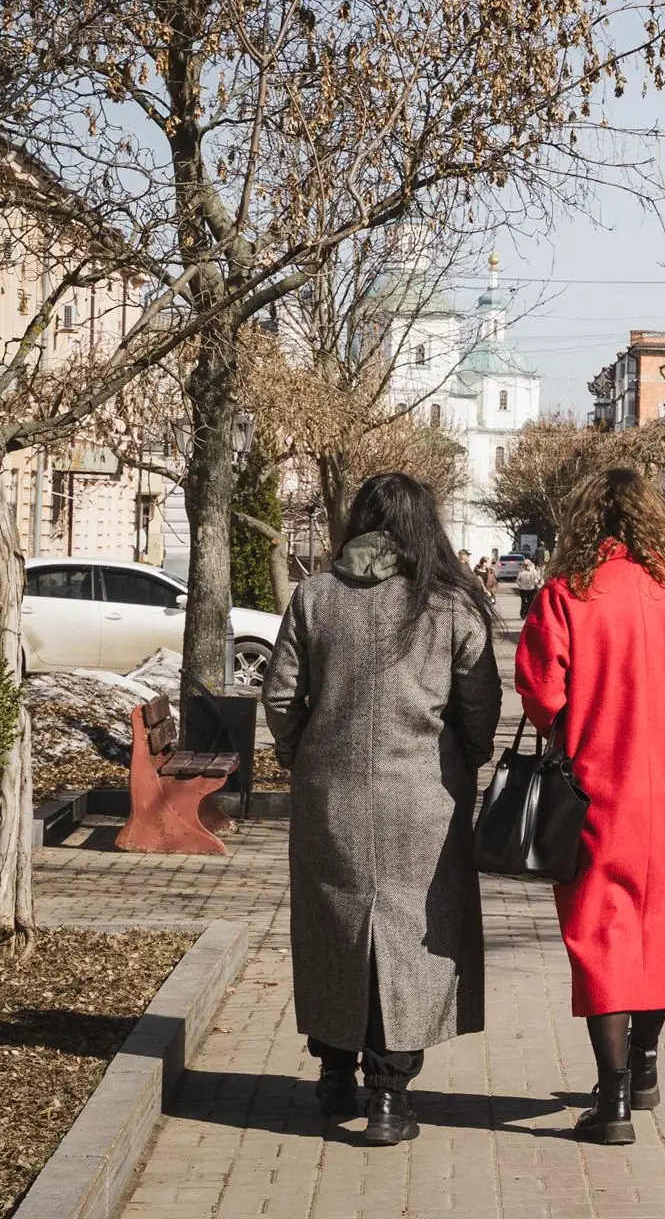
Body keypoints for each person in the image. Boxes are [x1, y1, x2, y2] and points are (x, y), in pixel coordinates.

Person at [261, 472, 501, 1147]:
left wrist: (303, 757)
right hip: (424, 797)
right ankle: (390, 1097)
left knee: (331, 926)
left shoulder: (315, 596)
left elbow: (281, 698)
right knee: (408, 941)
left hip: (329, 795)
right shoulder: (451, 603)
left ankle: (336, 1074)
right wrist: (466, 758)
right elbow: (480, 704)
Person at [515, 468, 665, 1147]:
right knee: (664, 921)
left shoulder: (566, 594)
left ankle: (610, 1100)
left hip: (594, 784)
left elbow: (540, 692)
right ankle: (644, 1063)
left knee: (602, 933)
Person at [514, 553, 544, 618]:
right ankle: (523, 614)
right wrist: (520, 584)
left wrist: (535, 583)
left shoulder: (533, 571)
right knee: (524, 602)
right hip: (523, 589)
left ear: (530, 565)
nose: (526, 566)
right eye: (524, 565)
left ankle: (528, 614)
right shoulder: (521, 571)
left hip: (531, 589)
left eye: (527, 565)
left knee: (530, 602)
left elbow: (537, 578)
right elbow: (517, 580)